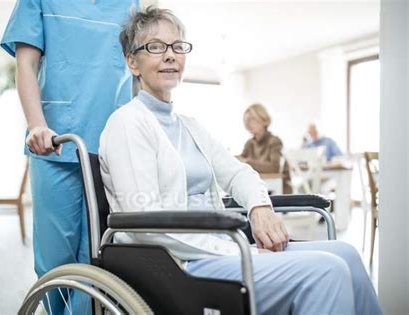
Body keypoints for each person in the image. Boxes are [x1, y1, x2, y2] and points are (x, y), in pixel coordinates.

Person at [99, 6, 382, 314]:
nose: (170, 55)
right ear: (132, 62)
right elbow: (145, 224)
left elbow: (237, 173)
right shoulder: (126, 123)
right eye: (155, 47)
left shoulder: (190, 126)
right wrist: (231, 247)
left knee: (347, 254)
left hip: (220, 249)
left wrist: (259, 206)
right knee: (328, 270)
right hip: (177, 263)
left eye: (178, 46)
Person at [0, 0, 139, 312]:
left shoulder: (128, 4)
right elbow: (26, 64)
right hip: (55, 144)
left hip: (110, 148)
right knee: (55, 259)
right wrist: (36, 125)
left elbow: (136, 72)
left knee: (99, 254)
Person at [238, 104, 283, 173]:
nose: (247, 124)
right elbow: (240, 160)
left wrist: (247, 162)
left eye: (251, 119)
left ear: (262, 119)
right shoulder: (249, 143)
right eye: (245, 120)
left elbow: (274, 168)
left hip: (274, 182)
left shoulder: (275, 142)